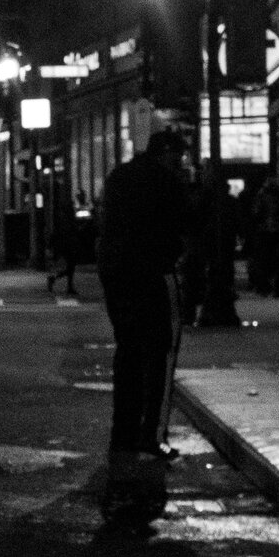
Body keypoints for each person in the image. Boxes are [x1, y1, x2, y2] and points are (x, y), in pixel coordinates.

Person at [95, 129, 193, 517]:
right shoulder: (165, 181)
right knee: (162, 351)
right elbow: (183, 225)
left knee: (129, 350)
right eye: (179, 157)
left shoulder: (120, 176)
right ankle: (151, 435)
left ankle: (123, 434)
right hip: (152, 271)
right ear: (168, 155)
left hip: (117, 271)